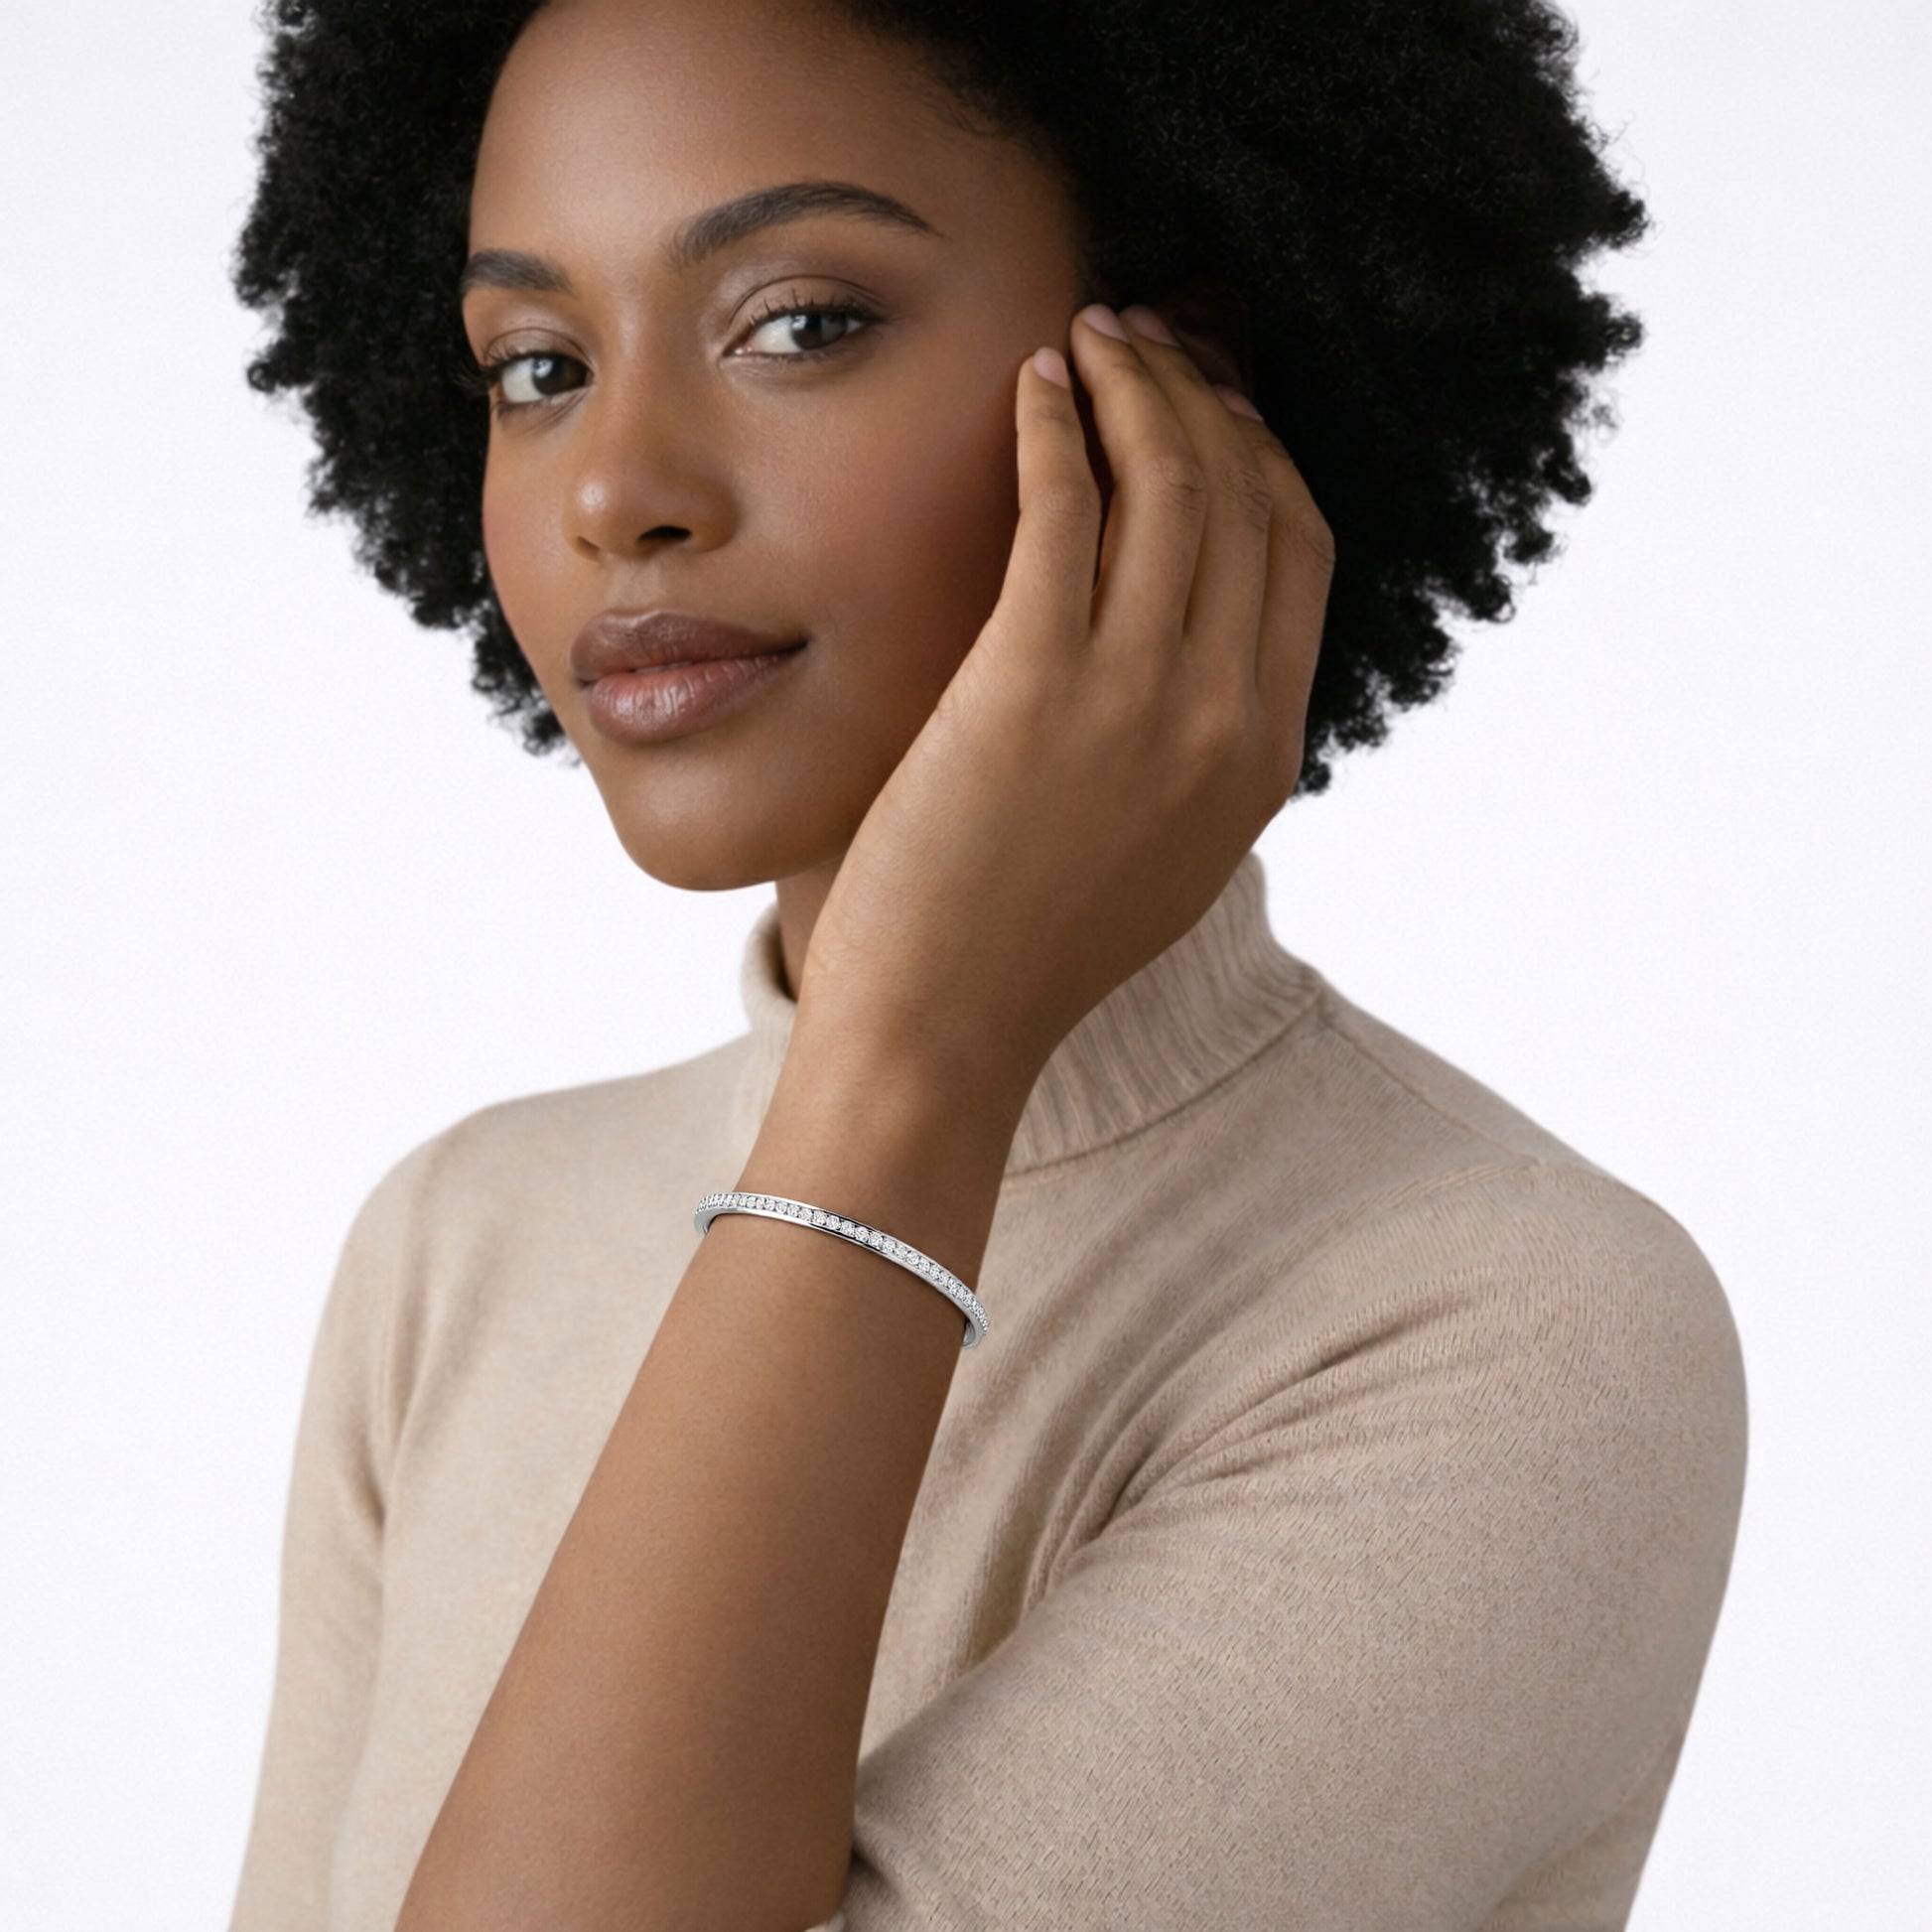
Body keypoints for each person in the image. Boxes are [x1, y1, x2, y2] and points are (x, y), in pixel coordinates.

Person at [225, 2, 1748, 1927]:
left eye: (800, 320)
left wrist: (910, 1064)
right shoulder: (464, 1242)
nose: (617, 487)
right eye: (536, 364)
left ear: (1178, 395)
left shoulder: (1502, 1323)